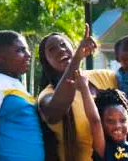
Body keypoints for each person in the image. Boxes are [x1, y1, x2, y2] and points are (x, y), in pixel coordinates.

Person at [37, 26, 117, 161]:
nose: (60, 49)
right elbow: (54, 111)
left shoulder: (103, 77)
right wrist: (77, 58)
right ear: (46, 62)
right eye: (52, 49)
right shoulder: (47, 95)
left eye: (63, 44)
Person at [0, 31, 44, 161]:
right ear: (0, 57)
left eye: (26, 50)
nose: (28, 55)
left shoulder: (17, 84)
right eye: (20, 51)